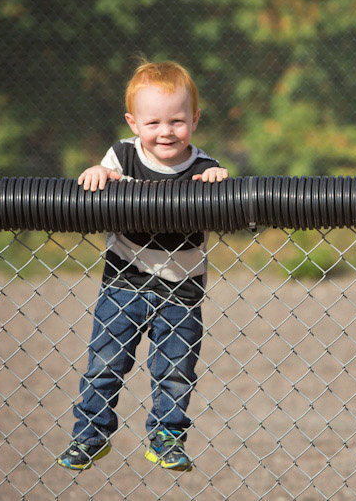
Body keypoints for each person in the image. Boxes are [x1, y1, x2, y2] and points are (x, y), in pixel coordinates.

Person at [57, 60, 229, 472]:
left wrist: (221, 180)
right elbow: (100, 178)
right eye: (153, 122)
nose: (166, 132)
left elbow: (220, 187)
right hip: (124, 279)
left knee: (175, 371)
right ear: (133, 123)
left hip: (182, 290)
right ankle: (90, 435)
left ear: (195, 119)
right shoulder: (121, 156)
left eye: (177, 121)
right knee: (104, 363)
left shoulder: (203, 168)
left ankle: (167, 437)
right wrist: (97, 172)